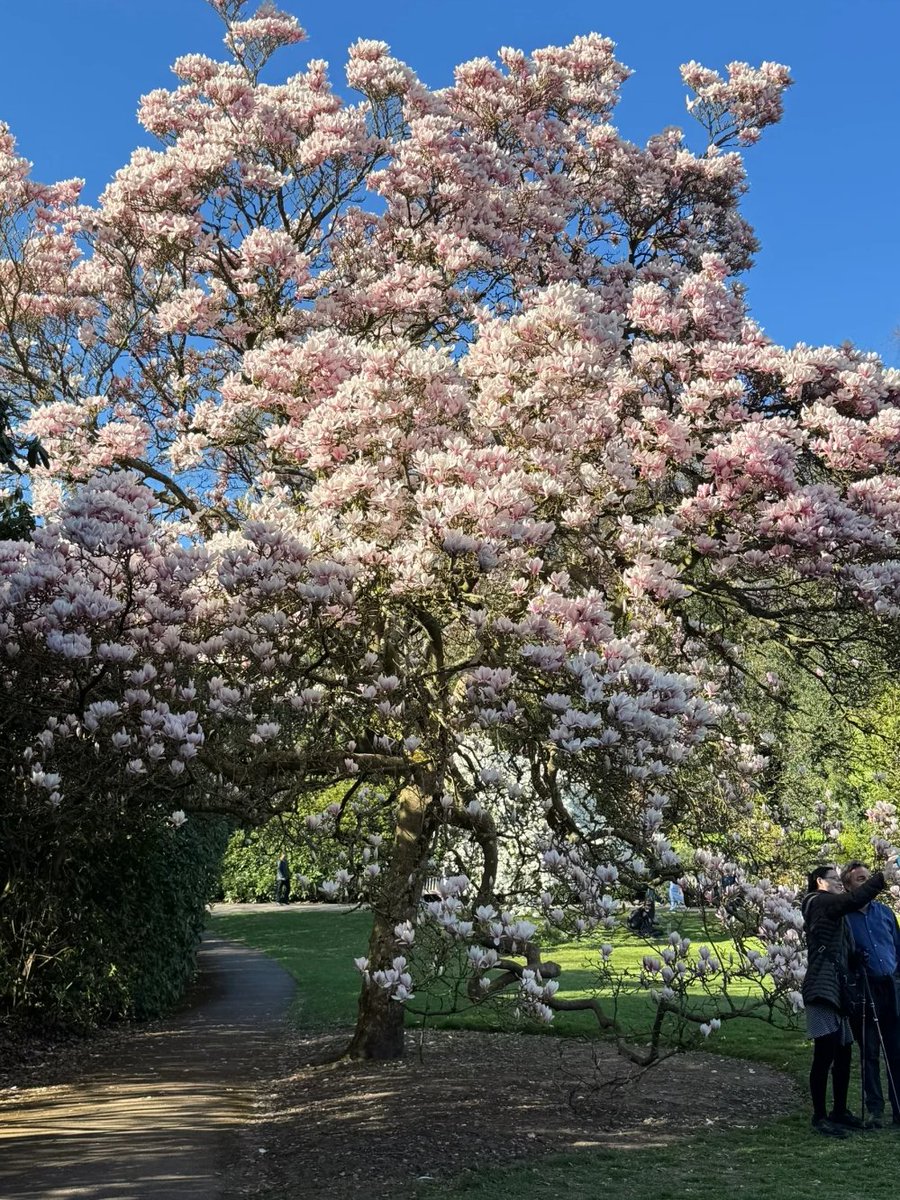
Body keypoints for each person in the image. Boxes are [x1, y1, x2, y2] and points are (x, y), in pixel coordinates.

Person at [802, 862, 891, 1136]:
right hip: (822, 988)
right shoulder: (819, 901)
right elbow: (853, 900)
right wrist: (880, 879)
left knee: (843, 1051)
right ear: (820, 881)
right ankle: (820, 1117)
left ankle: (839, 1111)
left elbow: (839, 947)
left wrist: (854, 958)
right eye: (834, 879)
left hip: (837, 988)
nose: (839, 883)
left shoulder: (831, 908)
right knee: (825, 1053)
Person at [841, 860, 900, 1128]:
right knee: (870, 1053)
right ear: (848, 886)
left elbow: (897, 947)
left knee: (896, 1051)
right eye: (860, 880)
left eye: (867, 877)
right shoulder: (844, 917)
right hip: (864, 988)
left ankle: (898, 1107)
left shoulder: (885, 912)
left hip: (890, 986)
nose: (866, 883)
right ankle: (875, 1109)